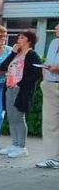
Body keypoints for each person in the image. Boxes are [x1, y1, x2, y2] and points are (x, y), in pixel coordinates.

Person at [0, 29, 42, 160]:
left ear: (29, 40)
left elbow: (37, 73)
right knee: (11, 117)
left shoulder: (32, 54)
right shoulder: (17, 54)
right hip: (9, 87)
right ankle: (14, 144)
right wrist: (12, 53)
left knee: (19, 117)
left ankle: (22, 147)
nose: (19, 40)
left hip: (21, 89)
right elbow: (3, 66)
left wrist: (21, 83)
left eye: (22, 38)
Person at [37, 19, 59, 169]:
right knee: (50, 123)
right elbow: (47, 62)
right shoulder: (53, 43)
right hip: (50, 86)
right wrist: (45, 78)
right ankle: (54, 158)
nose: (56, 27)